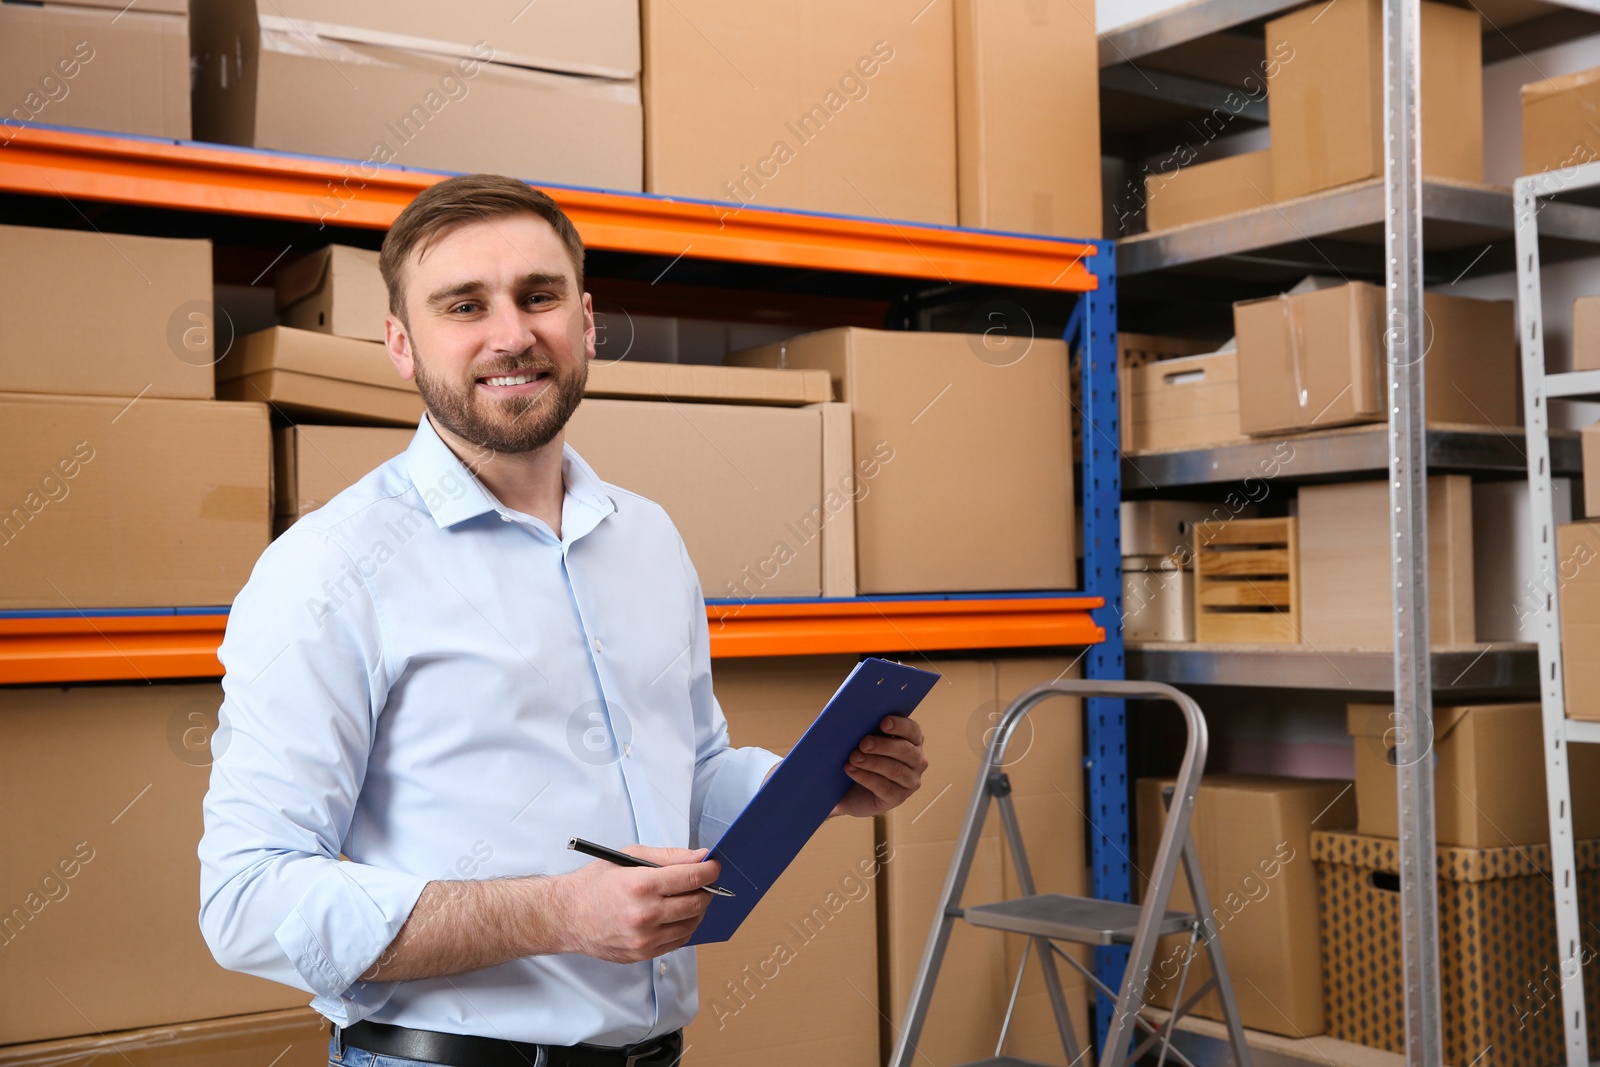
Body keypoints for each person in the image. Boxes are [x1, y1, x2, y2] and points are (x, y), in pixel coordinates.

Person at [198, 173, 928, 1067]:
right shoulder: (330, 566)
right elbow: (246, 897)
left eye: (539, 296)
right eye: (465, 304)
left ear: (584, 322)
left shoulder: (646, 536)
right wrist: (555, 912)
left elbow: (686, 777)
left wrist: (820, 783)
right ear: (400, 343)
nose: (513, 334)